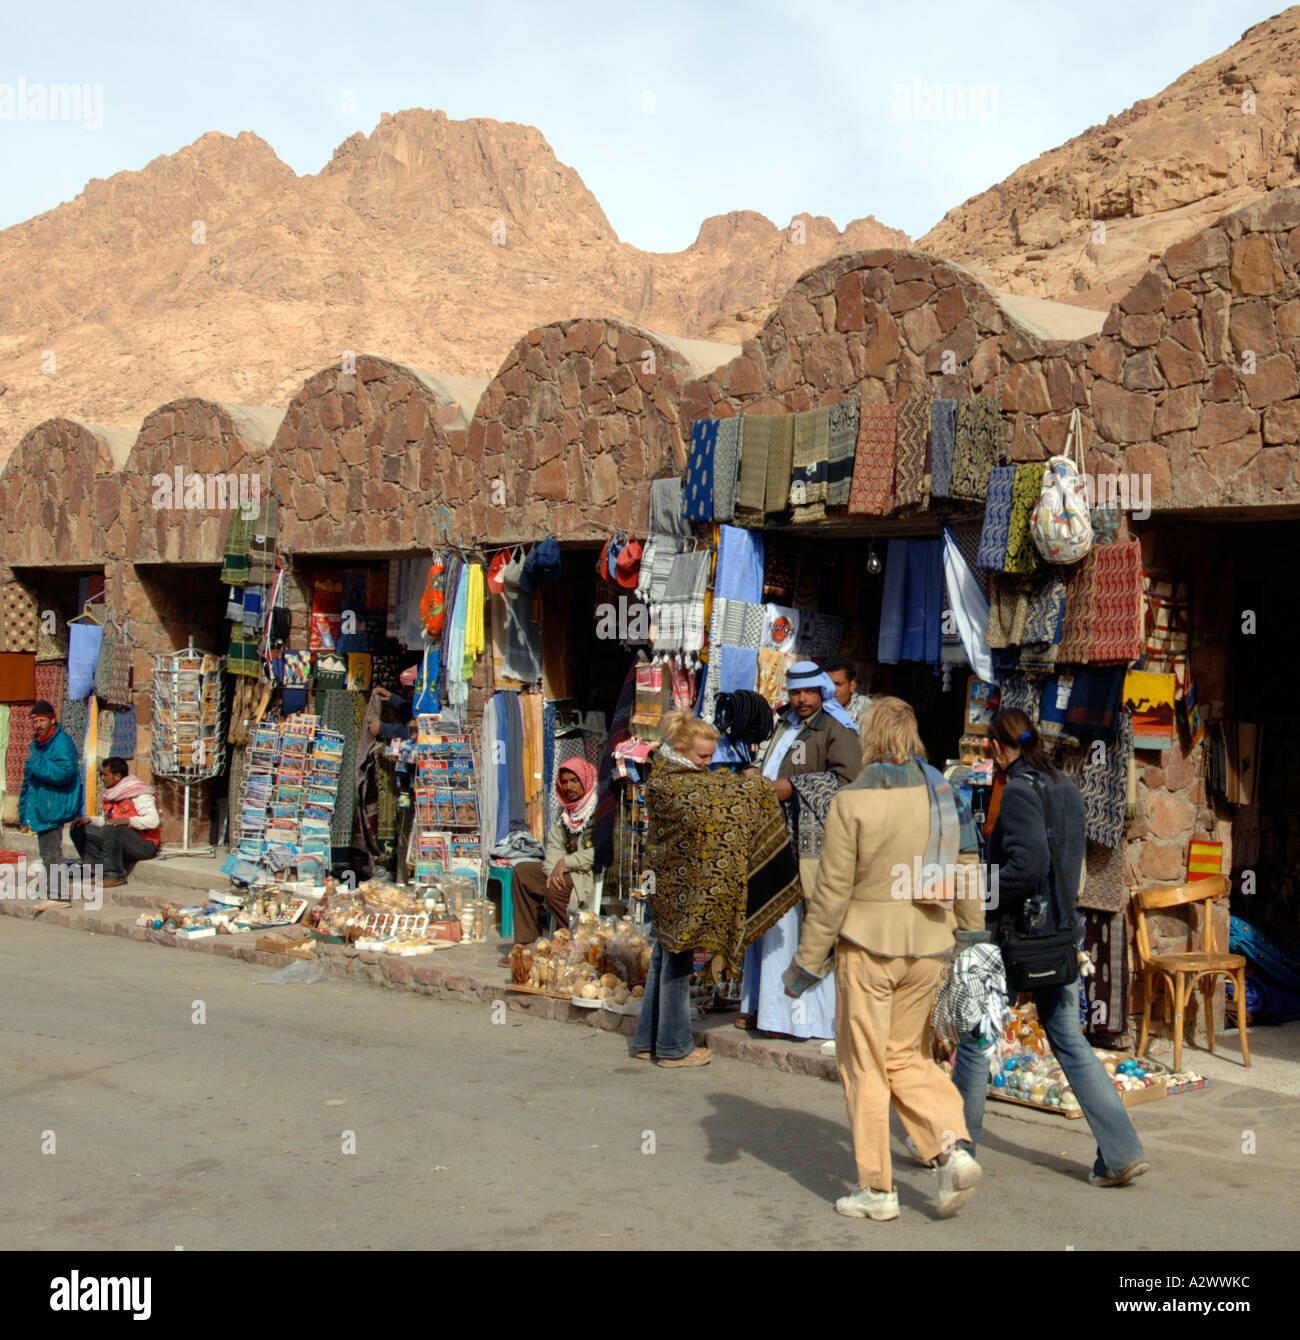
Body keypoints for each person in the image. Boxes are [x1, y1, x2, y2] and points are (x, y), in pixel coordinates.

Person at [785, 696, 983, 1221]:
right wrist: (972, 935)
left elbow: (831, 893)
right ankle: (950, 1150)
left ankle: (877, 1189)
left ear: (870, 737)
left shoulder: (851, 802)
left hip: (869, 947)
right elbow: (967, 867)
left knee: (865, 1067)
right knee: (907, 1058)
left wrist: (806, 963)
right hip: (930, 946)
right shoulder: (946, 794)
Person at [950, 709, 1150, 1188]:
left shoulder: (1020, 791)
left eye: (988, 749)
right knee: (1069, 1041)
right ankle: (1121, 1151)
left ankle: (956, 1151)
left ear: (997, 748)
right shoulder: (1064, 787)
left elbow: (1029, 865)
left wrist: (981, 887)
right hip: (1060, 934)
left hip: (1018, 939)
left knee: (977, 1038)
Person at [635, 711, 800, 1068]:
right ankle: (674, 1047)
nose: (708, 764)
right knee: (676, 963)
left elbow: (712, 789)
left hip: (671, 884)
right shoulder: (672, 782)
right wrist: (755, 786)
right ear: (681, 749)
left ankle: (648, 1039)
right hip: (677, 888)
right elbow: (713, 800)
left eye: (711, 756)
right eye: (702, 757)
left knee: (665, 957)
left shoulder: (670, 773)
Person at [739, 660, 859, 1040]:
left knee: (802, 927)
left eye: (809, 692)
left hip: (810, 848)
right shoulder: (784, 723)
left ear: (822, 691)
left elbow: (851, 782)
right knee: (774, 925)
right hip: (773, 841)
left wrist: (796, 788)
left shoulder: (836, 729)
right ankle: (770, 1014)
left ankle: (805, 1020)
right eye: (795, 692)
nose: (802, 699)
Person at [502, 760, 598, 958]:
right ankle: (527, 942)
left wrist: (566, 863)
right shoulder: (566, 812)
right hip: (564, 869)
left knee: (556, 888)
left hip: (587, 872)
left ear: (585, 781)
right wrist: (553, 869)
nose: (569, 786)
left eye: (574, 780)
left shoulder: (598, 809)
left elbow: (601, 851)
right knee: (523, 872)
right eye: (565, 781)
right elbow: (555, 844)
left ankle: (574, 944)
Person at [70, 757, 161, 887]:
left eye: (105, 774)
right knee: (79, 829)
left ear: (117, 776)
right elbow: (107, 820)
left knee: (113, 829)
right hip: (119, 839)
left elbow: (153, 821)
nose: (102, 778)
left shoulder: (139, 793)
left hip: (144, 845)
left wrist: (127, 821)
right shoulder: (112, 793)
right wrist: (90, 820)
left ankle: (115, 875)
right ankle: (98, 871)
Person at [19, 700, 82, 870]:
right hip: (43, 806)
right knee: (48, 855)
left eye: (42, 720)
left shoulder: (60, 742)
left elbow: (64, 773)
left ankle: (59, 895)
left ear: (53, 720)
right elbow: (29, 783)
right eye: (35, 721)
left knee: (52, 856)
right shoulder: (39, 745)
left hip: (52, 807)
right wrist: (24, 813)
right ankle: (54, 893)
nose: (38, 725)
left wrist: (35, 762)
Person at [826, 659, 871, 728]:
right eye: (828, 685)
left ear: (852, 685)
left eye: (839, 684)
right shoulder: (820, 705)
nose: (833, 690)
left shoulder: (866, 708)